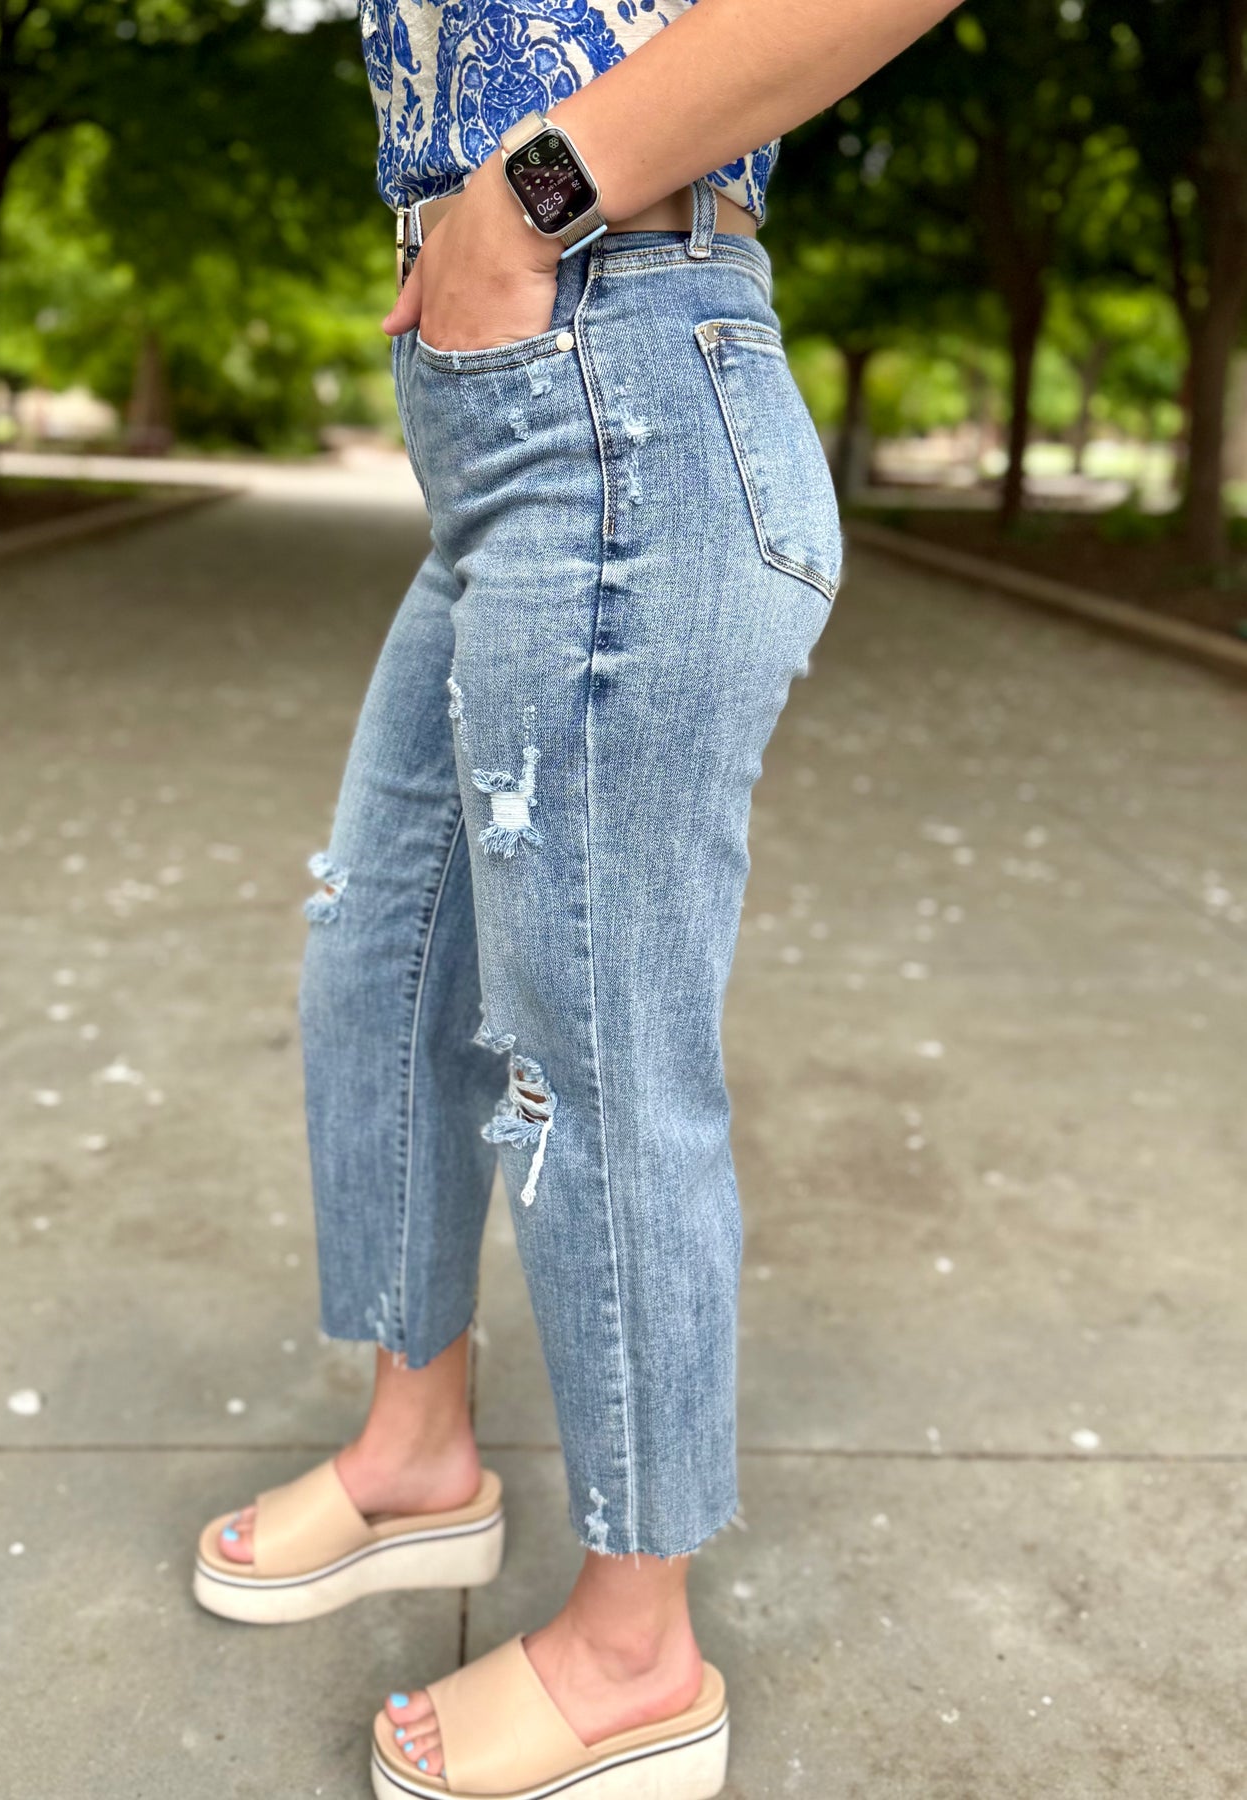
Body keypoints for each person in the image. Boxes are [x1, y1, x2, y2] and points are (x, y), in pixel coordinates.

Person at [193, 2, 954, 1795]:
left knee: (592, 1053)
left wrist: (530, 193)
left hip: (629, 390)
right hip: (521, 419)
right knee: (384, 956)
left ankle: (633, 1656)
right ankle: (416, 1458)